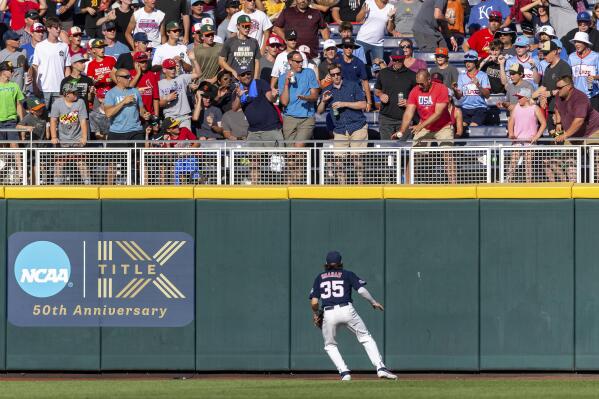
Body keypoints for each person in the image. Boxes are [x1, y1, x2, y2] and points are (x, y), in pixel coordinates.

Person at [309, 250, 397, 381]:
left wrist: (316, 313)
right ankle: (381, 368)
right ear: (341, 263)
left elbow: (315, 302)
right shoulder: (347, 274)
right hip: (347, 310)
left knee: (330, 345)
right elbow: (361, 290)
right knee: (365, 337)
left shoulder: (319, 277)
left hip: (329, 312)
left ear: (326, 264)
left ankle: (344, 373)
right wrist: (373, 302)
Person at [317, 63, 368, 183]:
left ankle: (361, 186)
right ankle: (342, 187)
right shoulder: (327, 90)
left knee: (357, 159)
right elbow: (319, 111)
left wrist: (344, 104)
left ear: (341, 73)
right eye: (333, 74)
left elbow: (363, 104)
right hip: (339, 129)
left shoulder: (353, 85)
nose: (336, 76)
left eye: (338, 74)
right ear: (330, 75)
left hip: (357, 126)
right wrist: (324, 101)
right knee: (339, 161)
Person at [49, 82, 91, 185]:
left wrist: (84, 137)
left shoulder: (80, 102)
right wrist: (54, 137)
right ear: (67, 94)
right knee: (59, 162)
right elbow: (53, 120)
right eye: (74, 92)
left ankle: (88, 185)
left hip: (77, 138)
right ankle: (57, 186)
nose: (76, 94)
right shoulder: (57, 103)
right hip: (62, 139)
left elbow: (83, 120)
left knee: (81, 162)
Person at [279, 50, 319, 148]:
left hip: (306, 118)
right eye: (297, 62)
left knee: (298, 148)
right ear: (290, 61)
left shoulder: (309, 72)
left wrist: (306, 98)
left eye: (301, 61)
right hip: (289, 118)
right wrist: (286, 84)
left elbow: (315, 96)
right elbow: (284, 102)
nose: (300, 64)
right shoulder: (283, 77)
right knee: (290, 154)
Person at [505, 86, 546, 183]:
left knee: (528, 164)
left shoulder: (535, 108)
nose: (518, 99)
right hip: (517, 141)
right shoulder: (516, 108)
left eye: (520, 97)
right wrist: (511, 134)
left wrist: (536, 136)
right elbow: (511, 122)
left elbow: (543, 123)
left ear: (526, 98)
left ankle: (529, 184)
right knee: (513, 163)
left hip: (530, 142)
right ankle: (508, 182)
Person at [374, 48, 416, 141]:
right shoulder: (383, 73)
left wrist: (408, 102)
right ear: (391, 59)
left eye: (400, 59)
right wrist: (381, 95)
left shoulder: (412, 75)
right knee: (387, 149)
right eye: (395, 59)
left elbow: (418, 96)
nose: (397, 62)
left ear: (404, 58)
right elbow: (377, 90)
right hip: (386, 117)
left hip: (405, 118)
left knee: (404, 150)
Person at [31, 17, 72, 111]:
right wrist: (35, 86)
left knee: (60, 118)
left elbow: (67, 68)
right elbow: (35, 67)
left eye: (59, 27)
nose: (58, 29)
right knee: (44, 119)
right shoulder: (40, 46)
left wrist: (68, 87)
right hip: (43, 88)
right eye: (55, 27)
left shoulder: (64, 46)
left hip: (60, 89)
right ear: (48, 29)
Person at [104, 68, 152, 146]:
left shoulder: (135, 91)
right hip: (117, 133)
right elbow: (108, 113)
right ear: (118, 78)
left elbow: (142, 110)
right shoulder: (111, 93)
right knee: (117, 159)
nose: (130, 79)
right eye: (126, 77)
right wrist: (123, 102)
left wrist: (145, 115)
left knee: (137, 158)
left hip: (136, 131)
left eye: (130, 76)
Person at [534, 40, 572, 131]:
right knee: (554, 138)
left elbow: (568, 89)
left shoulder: (564, 67)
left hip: (562, 111)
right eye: (543, 53)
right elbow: (544, 87)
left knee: (560, 140)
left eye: (546, 53)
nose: (544, 56)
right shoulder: (547, 68)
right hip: (551, 110)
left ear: (555, 52)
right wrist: (533, 97)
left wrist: (549, 93)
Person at [553, 75, 599, 142]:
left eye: (560, 88)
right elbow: (557, 108)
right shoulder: (558, 95)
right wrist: (558, 123)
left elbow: (579, 121)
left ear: (569, 87)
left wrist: (565, 135)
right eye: (556, 87)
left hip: (592, 132)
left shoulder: (580, 98)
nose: (557, 90)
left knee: (592, 152)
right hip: (573, 134)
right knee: (567, 152)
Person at [158, 58, 201, 129]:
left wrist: (194, 60)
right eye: (170, 68)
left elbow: (198, 74)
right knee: (174, 140)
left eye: (174, 67)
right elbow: (159, 104)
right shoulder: (160, 84)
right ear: (164, 70)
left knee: (185, 139)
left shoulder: (182, 78)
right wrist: (167, 99)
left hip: (184, 116)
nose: (173, 70)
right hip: (170, 117)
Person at [453, 50, 491, 128]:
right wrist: (455, 90)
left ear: (476, 62)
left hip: (479, 108)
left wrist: (478, 85)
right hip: (465, 108)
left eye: (470, 61)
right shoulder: (461, 76)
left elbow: (487, 95)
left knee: (473, 127)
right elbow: (458, 96)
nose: (467, 63)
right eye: (466, 61)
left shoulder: (483, 75)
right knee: (461, 127)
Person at [354, 0, 395, 66]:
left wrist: (390, 18)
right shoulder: (369, 2)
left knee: (379, 68)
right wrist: (364, 12)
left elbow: (390, 29)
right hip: (362, 40)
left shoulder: (391, 7)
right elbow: (357, 20)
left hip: (378, 44)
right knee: (358, 65)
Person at [336, 38, 372, 111]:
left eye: (350, 47)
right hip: (341, 95)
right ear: (342, 48)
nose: (348, 49)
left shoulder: (359, 63)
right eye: (346, 47)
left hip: (356, 96)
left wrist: (369, 102)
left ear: (353, 48)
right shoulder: (337, 62)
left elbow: (365, 82)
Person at [219, 15, 260, 79]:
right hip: (233, 79)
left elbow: (257, 61)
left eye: (249, 26)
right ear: (238, 26)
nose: (247, 28)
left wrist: (255, 79)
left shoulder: (254, 42)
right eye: (244, 26)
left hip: (249, 79)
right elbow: (221, 61)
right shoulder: (229, 41)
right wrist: (232, 71)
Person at [567, 32, 599, 111]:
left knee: (593, 122)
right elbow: (569, 76)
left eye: (579, 42)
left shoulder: (595, 56)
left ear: (585, 43)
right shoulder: (571, 57)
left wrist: (594, 77)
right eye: (575, 42)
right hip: (576, 97)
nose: (576, 44)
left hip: (593, 96)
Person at [0, 61, 25, 147]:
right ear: (3, 71)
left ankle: (18, 161)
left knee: (14, 143)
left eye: (12, 70)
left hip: (11, 120)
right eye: (10, 70)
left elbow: (18, 105)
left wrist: (21, 121)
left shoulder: (14, 86)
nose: (12, 72)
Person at [129, 51, 160, 115]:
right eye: (141, 62)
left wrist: (156, 116)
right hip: (134, 114)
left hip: (149, 113)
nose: (144, 64)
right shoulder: (129, 73)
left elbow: (155, 98)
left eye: (145, 61)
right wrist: (138, 74)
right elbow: (128, 88)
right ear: (135, 63)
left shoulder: (152, 75)